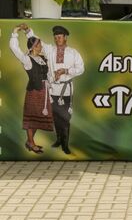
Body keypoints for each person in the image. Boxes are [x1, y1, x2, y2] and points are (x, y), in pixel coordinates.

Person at [22, 25, 85, 155]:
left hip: (65, 90)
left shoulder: (73, 53)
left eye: (60, 37)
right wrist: (28, 31)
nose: (57, 39)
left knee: (65, 118)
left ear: (65, 38)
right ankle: (58, 140)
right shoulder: (50, 50)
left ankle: (65, 145)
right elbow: (36, 42)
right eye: (55, 37)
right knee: (55, 117)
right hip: (51, 91)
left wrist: (66, 71)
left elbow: (80, 69)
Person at [9, 24, 54, 154]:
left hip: (44, 91)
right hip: (34, 91)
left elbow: (35, 40)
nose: (41, 46)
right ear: (34, 47)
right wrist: (15, 31)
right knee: (31, 118)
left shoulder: (42, 58)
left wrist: (28, 31)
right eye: (38, 45)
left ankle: (30, 141)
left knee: (38, 118)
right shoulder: (27, 60)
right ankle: (31, 143)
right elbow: (14, 48)